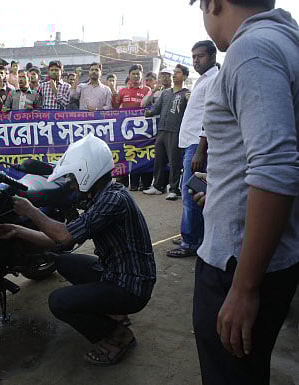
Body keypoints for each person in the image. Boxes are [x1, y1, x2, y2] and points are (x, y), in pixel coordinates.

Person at [188, 1, 299, 384]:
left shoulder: (251, 50)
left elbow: (276, 168)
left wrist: (244, 288)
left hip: (237, 265)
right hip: (265, 252)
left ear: (212, 3)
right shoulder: (286, 41)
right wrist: (221, 194)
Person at [0, 134, 156, 365]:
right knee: (62, 260)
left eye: (72, 178)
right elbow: (59, 241)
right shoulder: (105, 194)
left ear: (86, 172)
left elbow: (64, 237)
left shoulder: (113, 200)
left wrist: (30, 211)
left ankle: (118, 337)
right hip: (116, 272)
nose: (71, 184)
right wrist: (18, 231)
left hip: (132, 286)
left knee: (59, 301)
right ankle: (116, 313)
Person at [166, 40, 218, 259]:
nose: (196, 60)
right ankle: (194, 235)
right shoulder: (203, 81)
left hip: (198, 147)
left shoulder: (214, 80)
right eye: (193, 56)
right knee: (195, 191)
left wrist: (200, 151)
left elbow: (210, 116)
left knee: (192, 193)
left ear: (213, 56)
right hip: (190, 143)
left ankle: (190, 242)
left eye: (201, 56)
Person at [143, 64, 190, 200]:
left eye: (178, 72)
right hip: (161, 131)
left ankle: (174, 189)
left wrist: (189, 100)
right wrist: (149, 113)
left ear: (185, 76)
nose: (175, 74)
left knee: (174, 161)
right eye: (174, 72)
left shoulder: (187, 94)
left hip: (175, 131)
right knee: (159, 160)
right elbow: (156, 109)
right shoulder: (165, 93)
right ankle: (157, 187)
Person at [111, 64, 152, 191]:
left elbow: (149, 105)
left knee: (142, 155)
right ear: (129, 75)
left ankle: (144, 183)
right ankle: (129, 184)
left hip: (143, 129)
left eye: (138, 74)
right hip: (126, 130)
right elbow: (116, 106)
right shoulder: (122, 91)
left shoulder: (147, 90)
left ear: (141, 76)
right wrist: (113, 93)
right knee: (127, 154)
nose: (135, 76)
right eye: (133, 73)